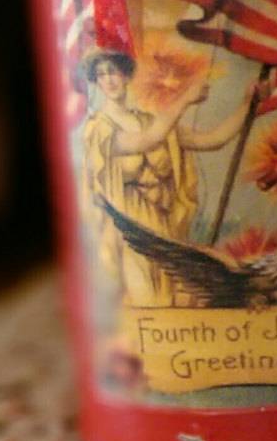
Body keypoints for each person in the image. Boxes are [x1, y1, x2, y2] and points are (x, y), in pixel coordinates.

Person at [82, 50, 259, 307]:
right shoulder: (99, 128)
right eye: (101, 74)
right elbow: (147, 140)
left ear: (126, 75)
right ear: (96, 81)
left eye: (113, 72)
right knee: (151, 302)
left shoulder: (151, 121)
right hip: (129, 231)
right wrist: (185, 99)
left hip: (162, 224)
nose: (108, 80)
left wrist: (248, 104)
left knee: (186, 296)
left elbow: (214, 140)